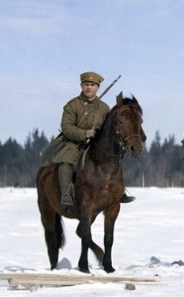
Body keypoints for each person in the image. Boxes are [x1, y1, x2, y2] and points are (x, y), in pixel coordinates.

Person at [45, 72, 133, 210]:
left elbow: (108, 128)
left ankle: (119, 191)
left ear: (97, 87)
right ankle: (66, 194)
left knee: (113, 158)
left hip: (97, 144)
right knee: (67, 160)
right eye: (86, 84)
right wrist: (84, 133)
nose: (89, 88)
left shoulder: (104, 108)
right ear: (81, 86)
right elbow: (66, 127)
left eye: (92, 85)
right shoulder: (72, 106)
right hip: (74, 143)